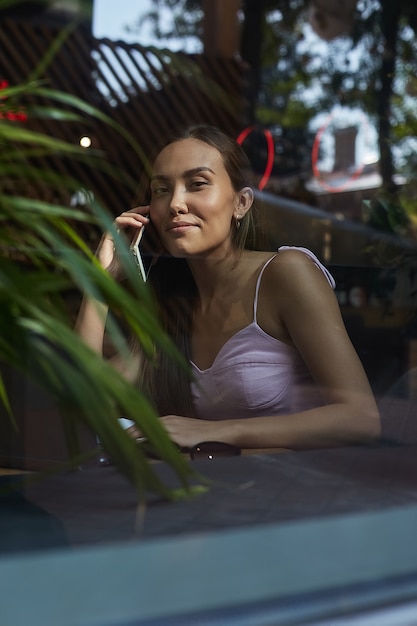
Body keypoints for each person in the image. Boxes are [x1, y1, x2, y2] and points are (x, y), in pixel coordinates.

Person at [76, 124, 380, 451]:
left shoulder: (287, 273)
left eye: (197, 184)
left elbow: (361, 418)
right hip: (215, 489)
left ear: (241, 203)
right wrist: (98, 284)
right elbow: (83, 399)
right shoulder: (170, 301)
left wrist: (214, 432)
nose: (176, 203)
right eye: (161, 189)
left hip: (299, 490)